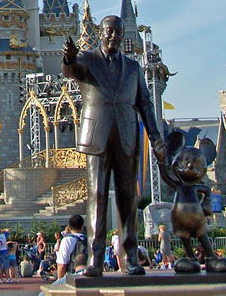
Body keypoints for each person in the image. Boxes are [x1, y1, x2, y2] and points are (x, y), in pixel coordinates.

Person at [62, 15, 166, 276]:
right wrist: (69, 58)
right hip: (97, 137)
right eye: (109, 32)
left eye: (118, 33)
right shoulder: (88, 60)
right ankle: (96, 260)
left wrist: (155, 136)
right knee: (96, 196)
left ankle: (131, 257)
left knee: (127, 198)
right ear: (100, 33)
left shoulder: (133, 67)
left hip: (127, 137)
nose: (114, 36)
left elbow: (145, 103)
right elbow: (71, 70)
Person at [55, 215, 87, 280]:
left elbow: (62, 265)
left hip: (72, 278)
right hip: (89, 277)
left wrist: (59, 282)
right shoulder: (89, 240)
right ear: (82, 227)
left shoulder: (67, 240)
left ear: (69, 227)